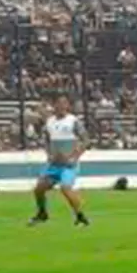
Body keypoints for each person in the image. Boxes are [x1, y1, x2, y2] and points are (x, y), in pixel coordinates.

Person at [31, 95, 90, 227]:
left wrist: (75, 157)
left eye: (64, 103)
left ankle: (80, 216)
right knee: (39, 189)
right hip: (54, 164)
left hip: (68, 164)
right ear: (55, 105)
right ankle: (42, 213)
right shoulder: (50, 122)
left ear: (68, 106)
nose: (62, 106)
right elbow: (46, 140)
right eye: (59, 103)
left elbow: (86, 140)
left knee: (65, 188)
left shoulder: (73, 121)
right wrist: (49, 154)